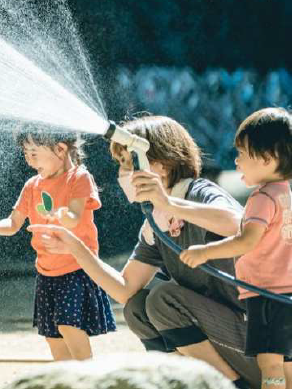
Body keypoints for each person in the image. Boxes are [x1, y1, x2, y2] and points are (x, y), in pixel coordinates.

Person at [28, 115, 260, 389]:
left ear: (161, 165)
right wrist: (74, 247)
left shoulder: (198, 193)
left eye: (127, 164)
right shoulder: (157, 222)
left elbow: (240, 224)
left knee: (164, 298)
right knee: (138, 308)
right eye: (121, 166)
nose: (122, 175)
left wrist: (170, 204)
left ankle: (230, 384)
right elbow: (126, 289)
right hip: (232, 342)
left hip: (260, 347)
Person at [0, 127, 116, 361]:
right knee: (54, 337)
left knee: (70, 327)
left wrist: (61, 215)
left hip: (76, 269)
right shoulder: (32, 185)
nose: (28, 159)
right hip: (46, 272)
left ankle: (89, 378)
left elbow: (75, 216)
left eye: (34, 152)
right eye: (25, 153)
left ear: (60, 149)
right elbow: (13, 223)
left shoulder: (79, 177)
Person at [180, 108, 292, 389]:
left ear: (267, 159)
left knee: (270, 364)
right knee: (287, 363)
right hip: (287, 294)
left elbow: (247, 240)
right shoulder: (286, 194)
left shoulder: (263, 197)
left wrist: (204, 252)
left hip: (267, 295)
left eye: (242, 153)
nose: (236, 161)